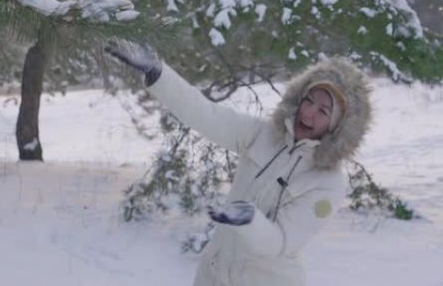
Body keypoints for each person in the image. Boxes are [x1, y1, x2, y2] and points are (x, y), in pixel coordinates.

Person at [104, 39, 372, 286]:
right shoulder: (264, 135)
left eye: (323, 111)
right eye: (309, 100)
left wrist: (250, 220)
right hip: (213, 275)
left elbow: (279, 244)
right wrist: (158, 73)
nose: (309, 113)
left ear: (338, 127)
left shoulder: (327, 183)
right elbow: (206, 114)